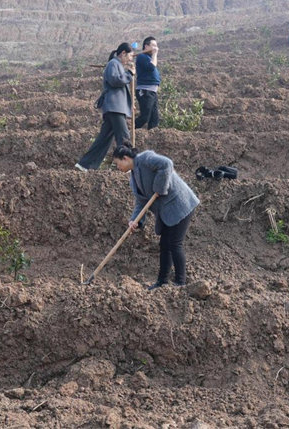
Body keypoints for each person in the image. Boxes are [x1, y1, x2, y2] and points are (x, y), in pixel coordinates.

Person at [112, 143, 199, 290]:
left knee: (174, 244)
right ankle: (162, 281)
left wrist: (160, 188)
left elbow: (167, 164)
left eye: (117, 163)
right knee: (164, 245)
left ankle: (181, 282)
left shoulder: (145, 158)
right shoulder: (133, 178)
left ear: (125, 158)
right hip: (166, 211)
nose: (117, 167)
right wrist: (135, 220)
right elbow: (141, 201)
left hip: (180, 204)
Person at [75, 42, 134, 172]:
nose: (131, 59)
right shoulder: (113, 64)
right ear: (123, 53)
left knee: (104, 139)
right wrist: (129, 74)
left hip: (116, 107)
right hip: (115, 107)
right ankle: (128, 165)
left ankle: (85, 165)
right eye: (130, 56)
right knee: (124, 136)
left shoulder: (117, 65)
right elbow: (115, 80)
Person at [135, 36, 160, 130]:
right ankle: (127, 132)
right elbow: (151, 67)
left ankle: (151, 138)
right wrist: (155, 54)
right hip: (145, 91)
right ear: (146, 46)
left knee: (154, 119)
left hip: (152, 92)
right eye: (153, 45)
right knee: (145, 117)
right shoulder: (142, 57)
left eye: (156, 46)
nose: (155, 48)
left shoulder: (149, 57)